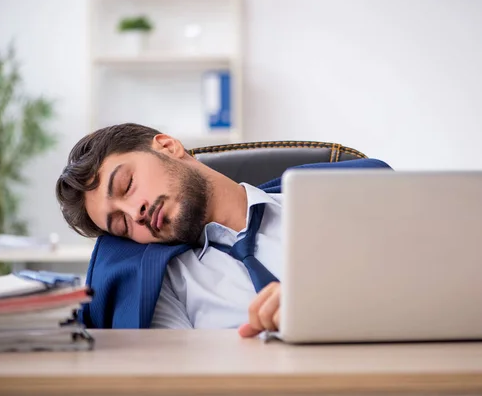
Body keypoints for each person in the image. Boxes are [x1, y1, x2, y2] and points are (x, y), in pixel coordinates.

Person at [55, 123, 391, 335]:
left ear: (168, 146)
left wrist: (328, 302)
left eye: (127, 185)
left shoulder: (338, 203)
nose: (136, 213)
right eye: (121, 224)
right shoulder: (165, 285)